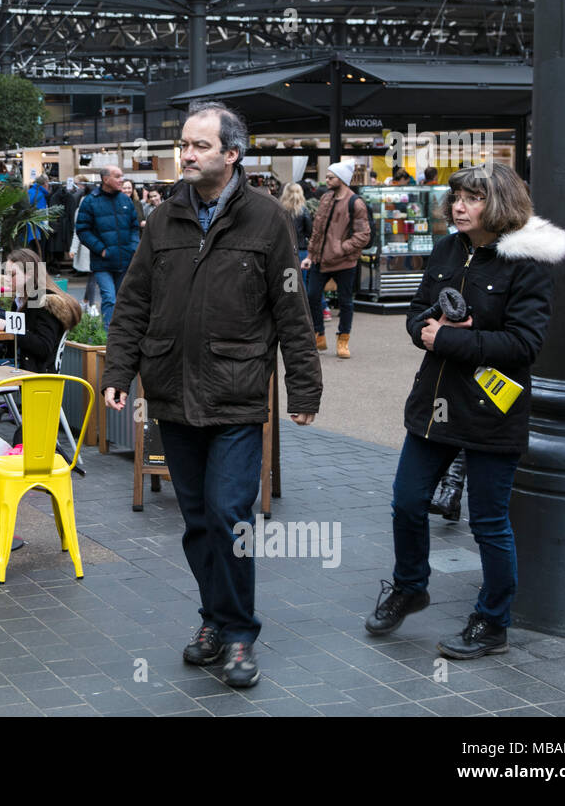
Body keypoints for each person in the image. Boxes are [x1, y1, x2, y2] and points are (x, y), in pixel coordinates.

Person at [100, 100, 322, 689]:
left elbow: (291, 312)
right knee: (198, 521)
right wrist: (117, 375)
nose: (187, 154)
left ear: (232, 153)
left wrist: (304, 386)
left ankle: (240, 632)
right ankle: (212, 621)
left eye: (200, 145)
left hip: (237, 392)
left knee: (229, 515)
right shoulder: (163, 218)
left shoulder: (268, 220)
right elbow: (133, 304)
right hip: (172, 391)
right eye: (184, 144)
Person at [364, 163, 565, 660]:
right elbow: (418, 312)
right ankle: (410, 586)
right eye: (457, 196)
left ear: (497, 204)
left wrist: (453, 337)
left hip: (493, 408)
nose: (458, 205)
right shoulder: (447, 249)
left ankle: (492, 622)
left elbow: (525, 343)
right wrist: (426, 327)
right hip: (434, 403)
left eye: (472, 197)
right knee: (407, 501)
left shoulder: (525, 262)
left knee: (488, 522)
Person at [302, 160, 371, 359]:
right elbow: (317, 230)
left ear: (341, 179)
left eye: (330, 177)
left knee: (345, 302)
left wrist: (342, 248)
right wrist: (310, 255)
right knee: (312, 296)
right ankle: (318, 334)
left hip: (344, 262)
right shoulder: (325, 198)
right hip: (320, 260)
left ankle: (343, 340)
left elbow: (363, 234)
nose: (327, 180)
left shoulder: (355, 202)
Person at [74, 165, 141, 328]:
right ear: (105, 179)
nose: (122, 180)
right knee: (109, 298)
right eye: (117, 176)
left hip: (124, 259)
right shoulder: (90, 201)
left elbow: (134, 226)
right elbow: (83, 230)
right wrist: (101, 250)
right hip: (102, 261)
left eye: (122, 176)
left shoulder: (125, 200)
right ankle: (107, 337)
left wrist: (133, 247)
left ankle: (121, 334)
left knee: (122, 299)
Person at [280, 182, 313, 287]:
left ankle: (290, 303)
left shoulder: (279, 210)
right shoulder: (303, 211)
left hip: (283, 250)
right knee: (302, 282)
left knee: (289, 284)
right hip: (300, 250)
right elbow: (310, 232)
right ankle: (302, 303)